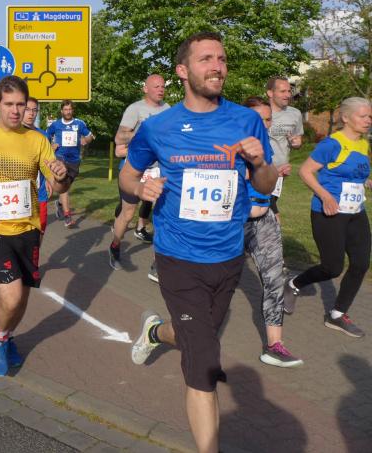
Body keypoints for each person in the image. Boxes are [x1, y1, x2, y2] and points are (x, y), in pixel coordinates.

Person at [124, 32, 276, 453]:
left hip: (228, 256)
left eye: (222, 59)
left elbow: (265, 184)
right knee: (205, 363)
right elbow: (128, 175)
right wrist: (140, 189)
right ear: (182, 70)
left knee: (198, 335)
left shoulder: (245, 121)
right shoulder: (158, 127)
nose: (217, 66)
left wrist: (260, 162)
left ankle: (156, 332)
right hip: (178, 258)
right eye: (206, 58)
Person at [0, 76, 70, 376]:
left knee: (22, 298)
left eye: (21, 104)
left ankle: (6, 336)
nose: (15, 111)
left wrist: (61, 174)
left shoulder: (37, 140)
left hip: (28, 228)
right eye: (9, 104)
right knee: (12, 295)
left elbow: (57, 184)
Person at [284, 97, 371, 338]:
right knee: (332, 267)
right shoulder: (332, 144)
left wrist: (366, 181)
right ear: (346, 117)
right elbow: (305, 171)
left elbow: (353, 173)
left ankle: (337, 314)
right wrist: (325, 196)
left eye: (370, 116)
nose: (368, 120)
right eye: (363, 116)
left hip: (355, 212)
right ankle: (293, 285)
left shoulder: (363, 144)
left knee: (361, 263)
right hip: (329, 211)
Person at [241, 97, 302, 367]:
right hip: (232, 222)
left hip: (263, 218)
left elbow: (265, 182)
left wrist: (274, 176)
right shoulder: (229, 143)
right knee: (218, 281)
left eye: (269, 119)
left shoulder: (264, 145)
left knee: (275, 279)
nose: (267, 124)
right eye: (261, 119)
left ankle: (274, 346)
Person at [110, 74, 170, 272]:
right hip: (135, 170)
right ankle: (115, 246)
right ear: (146, 89)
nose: (160, 89)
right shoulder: (135, 109)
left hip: (158, 169)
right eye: (156, 86)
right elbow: (119, 137)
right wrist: (144, 133)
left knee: (162, 215)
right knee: (128, 214)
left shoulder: (168, 109)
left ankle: (158, 261)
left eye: (163, 86)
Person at [46, 100, 94, 227]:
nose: (68, 112)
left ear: (73, 110)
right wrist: (51, 145)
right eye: (65, 109)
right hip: (60, 158)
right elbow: (45, 137)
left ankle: (59, 204)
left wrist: (86, 140)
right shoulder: (55, 124)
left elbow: (90, 136)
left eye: (70, 109)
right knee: (64, 187)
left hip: (74, 160)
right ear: (62, 111)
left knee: (66, 186)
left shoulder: (79, 123)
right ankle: (67, 217)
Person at [266, 76, 303, 221]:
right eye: (283, 91)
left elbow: (297, 139)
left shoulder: (295, 114)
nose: (288, 95)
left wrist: (297, 143)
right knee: (270, 211)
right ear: (270, 93)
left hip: (281, 172)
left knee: (267, 208)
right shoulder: (260, 112)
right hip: (261, 170)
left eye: (289, 91)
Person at [23, 97, 53, 235]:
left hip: (39, 191)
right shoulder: (11, 133)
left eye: (34, 110)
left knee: (41, 228)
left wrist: (49, 179)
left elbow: (47, 162)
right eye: (27, 109)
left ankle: (35, 250)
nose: (31, 113)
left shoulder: (43, 135)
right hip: (18, 191)